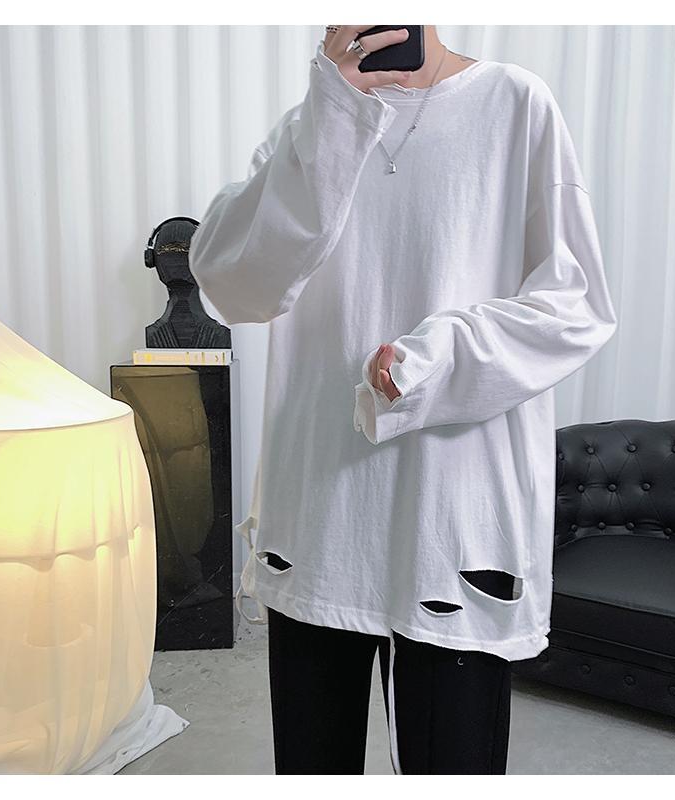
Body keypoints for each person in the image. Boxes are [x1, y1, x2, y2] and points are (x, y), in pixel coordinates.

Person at [188, 24, 618, 775]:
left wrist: (432, 361)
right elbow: (232, 283)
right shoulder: (310, 125)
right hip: (318, 513)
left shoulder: (514, 104)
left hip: (454, 512)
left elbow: (574, 303)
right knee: (313, 769)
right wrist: (334, 116)